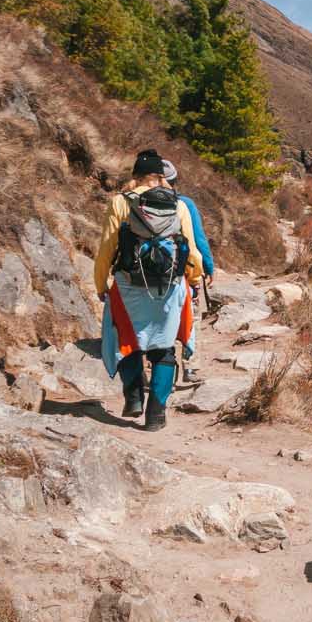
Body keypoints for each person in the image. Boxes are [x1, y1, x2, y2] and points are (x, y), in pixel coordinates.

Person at [93, 149, 204, 431]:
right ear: (160, 176)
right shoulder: (178, 206)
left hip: (129, 287)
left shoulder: (120, 203)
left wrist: (100, 283)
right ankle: (156, 413)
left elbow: (107, 248)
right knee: (163, 349)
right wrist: (193, 281)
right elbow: (191, 251)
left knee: (129, 342)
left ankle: (133, 398)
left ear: (136, 176)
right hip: (169, 289)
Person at [160, 159, 214, 383]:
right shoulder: (185, 204)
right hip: (183, 272)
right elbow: (198, 240)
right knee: (191, 318)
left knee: (163, 319)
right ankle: (190, 367)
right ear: (174, 181)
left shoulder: (138, 203)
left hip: (152, 274)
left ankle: (163, 369)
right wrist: (208, 267)